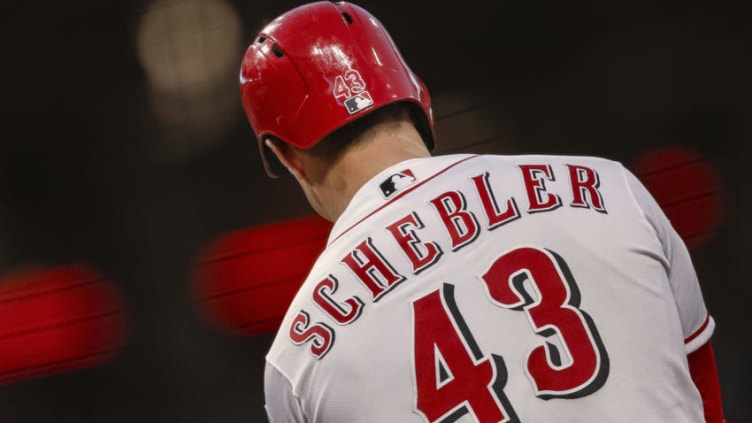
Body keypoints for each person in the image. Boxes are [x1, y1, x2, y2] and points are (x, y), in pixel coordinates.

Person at [238, 1, 726, 422]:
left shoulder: (297, 359)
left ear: (285, 156)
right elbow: (703, 393)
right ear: (418, 96)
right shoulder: (606, 186)